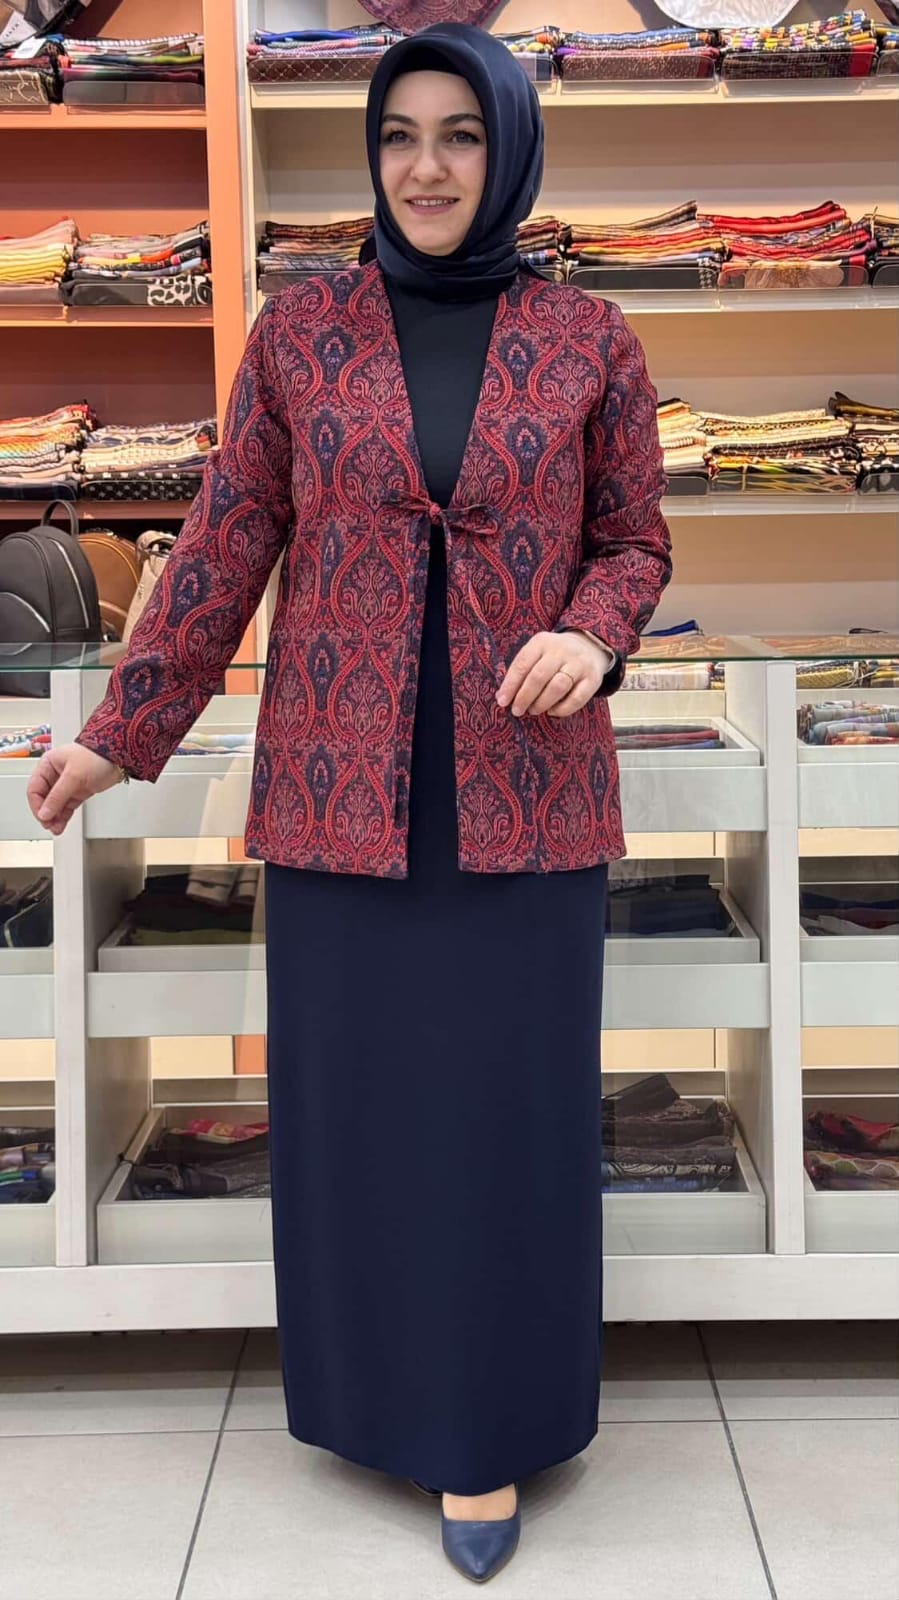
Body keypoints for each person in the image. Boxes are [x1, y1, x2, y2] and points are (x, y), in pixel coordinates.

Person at [27, 22, 671, 1586]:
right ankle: (378, 1404)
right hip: (341, 795)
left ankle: (491, 1432)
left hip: (523, 797)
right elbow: (224, 543)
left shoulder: (590, 336)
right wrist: (123, 732)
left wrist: (594, 634)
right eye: (399, 135)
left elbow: (636, 540)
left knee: (507, 1120)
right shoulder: (301, 334)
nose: (427, 167)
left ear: (509, 150)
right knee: (365, 1117)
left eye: (462, 134)